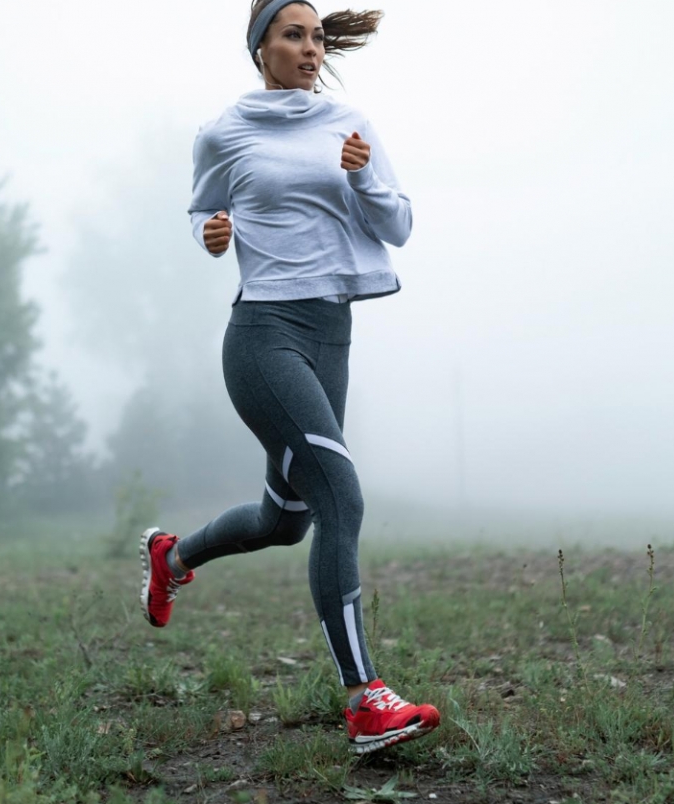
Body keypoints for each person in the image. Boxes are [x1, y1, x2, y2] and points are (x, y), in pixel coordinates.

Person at [138, 0, 439, 755]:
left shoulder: (349, 123)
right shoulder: (224, 132)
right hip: (262, 339)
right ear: (260, 48)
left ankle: (170, 558)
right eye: (292, 36)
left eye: (313, 37)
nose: (309, 50)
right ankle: (366, 700)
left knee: (288, 520)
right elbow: (199, 209)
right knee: (341, 496)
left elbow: (397, 226)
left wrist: (364, 175)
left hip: (330, 336)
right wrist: (209, 234)